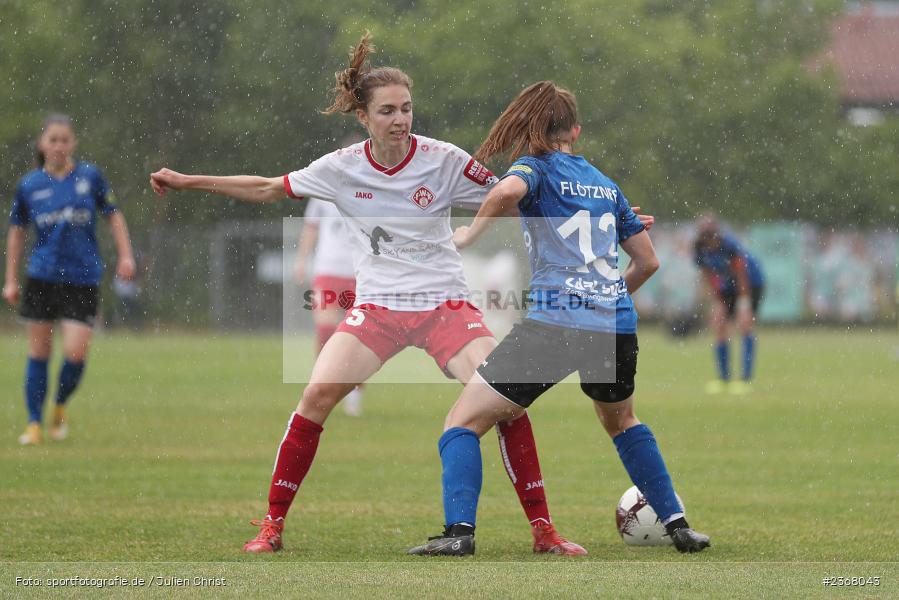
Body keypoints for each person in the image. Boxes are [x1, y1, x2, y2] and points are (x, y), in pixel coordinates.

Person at [147, 33, 647, 556]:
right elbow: (268, 188)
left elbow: (522, 196)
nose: (401, 119)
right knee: (316, 396)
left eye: (406, 108)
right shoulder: (341, 167)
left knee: (505, 403)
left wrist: (606, 220)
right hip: (379, 307)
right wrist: (187, 181)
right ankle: (270, 526)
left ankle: (544, 531)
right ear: (364, 117)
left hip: (445, 305)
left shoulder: (444, 160)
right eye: (387, 111)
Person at [407, 81, 709, 556]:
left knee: (461, 423)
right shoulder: (606, 185)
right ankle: (678, 524)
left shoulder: (536, 167)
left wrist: (471, 234)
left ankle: (459, 535)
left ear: (533, 131)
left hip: (556, 325)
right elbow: (648, 262)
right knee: (623, 421)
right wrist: (606, 298)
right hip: (615, 328)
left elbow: (508, 188)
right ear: (576, 131)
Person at [3, 113, 136, 445]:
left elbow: (114, 216)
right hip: (42, 276)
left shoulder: (90, 177)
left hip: (82, 277)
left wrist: (126, 255)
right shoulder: (29, 185)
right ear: (42, 143)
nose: (59, 146)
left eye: (65, 140)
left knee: (75, 354)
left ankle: (59, 404)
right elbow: (17, 233)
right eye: (53, 139)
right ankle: (33, 423)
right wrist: (11, 279)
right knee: (39, 353)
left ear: (73, 142)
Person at [293, 198, 364, 416]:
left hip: (360, 273)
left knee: (361, 338)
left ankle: (354, 392)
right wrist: (301, 259)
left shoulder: (367, 186)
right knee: (325, 331)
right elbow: (311, 226)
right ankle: (321, 387)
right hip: (327, 270)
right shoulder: (321, 191)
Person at [693, 215, 764, 395]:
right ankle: (723, 379)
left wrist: (744, 304)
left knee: (745, 324)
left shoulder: (730, 246)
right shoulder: (699, 248)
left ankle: (745, 380)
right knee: (719, 324)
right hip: (727, 287)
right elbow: (707, 275)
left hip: (751, 284)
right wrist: (717, 301)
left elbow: (742, 275)